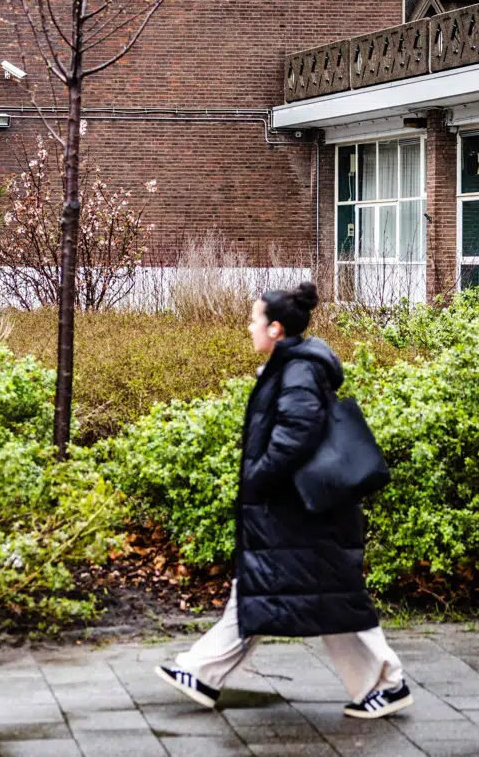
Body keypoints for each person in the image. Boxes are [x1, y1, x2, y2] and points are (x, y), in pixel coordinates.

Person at [155, 281, 412, 719]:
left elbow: (295, 434)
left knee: (325, 597)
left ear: (275, 328)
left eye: (254, 319)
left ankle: (388, 684)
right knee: (284, 592)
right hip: (300, 510)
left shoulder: (296, 371)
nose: (248, 326)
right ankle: (201, 673)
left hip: (304, 511)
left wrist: (257, 478)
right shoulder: (290, 365)